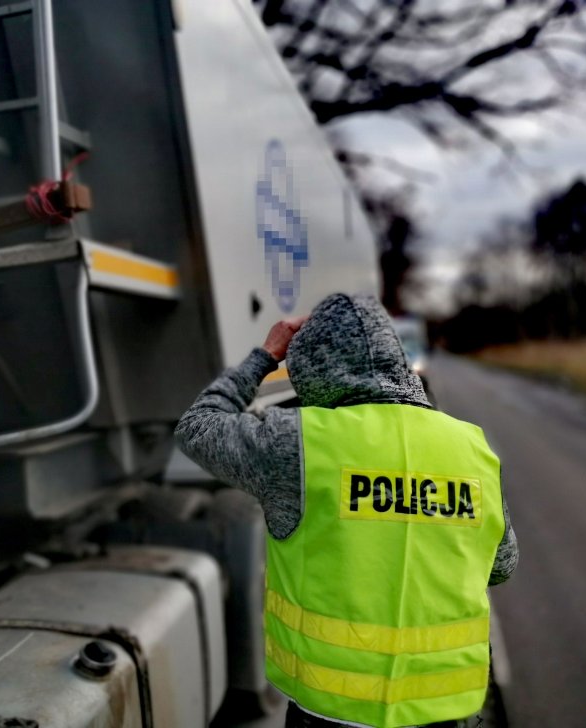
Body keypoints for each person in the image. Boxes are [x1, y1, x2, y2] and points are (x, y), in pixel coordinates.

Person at [175, 294, 518, 728]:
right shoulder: (471, 447)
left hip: (331, 715)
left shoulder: (297, 443)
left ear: (312, 370)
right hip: (447, 714)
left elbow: (197, 425)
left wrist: (264, 356)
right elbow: (502, 565)